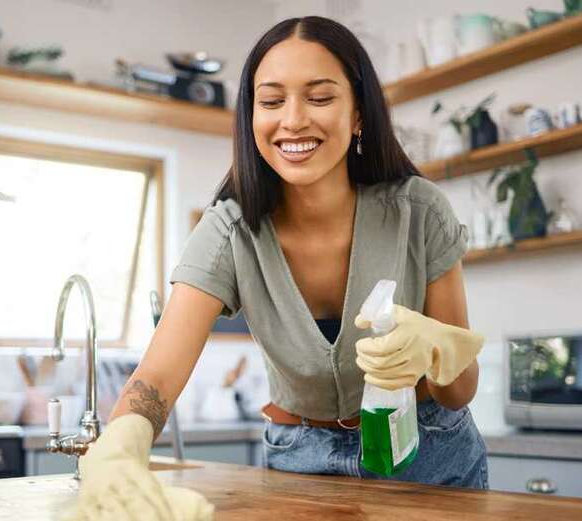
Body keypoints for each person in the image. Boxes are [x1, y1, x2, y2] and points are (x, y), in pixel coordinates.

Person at [85, 15, 488, 516]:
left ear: (359, 113)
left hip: (431, 461)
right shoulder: (229, 232)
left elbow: (459, 392)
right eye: (272, 102)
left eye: (319, 98)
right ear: (251, 117)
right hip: (301, 463)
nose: (293, 120)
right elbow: (158, 376)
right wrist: (121, 445)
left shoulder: (419, 211)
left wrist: (437, 348)